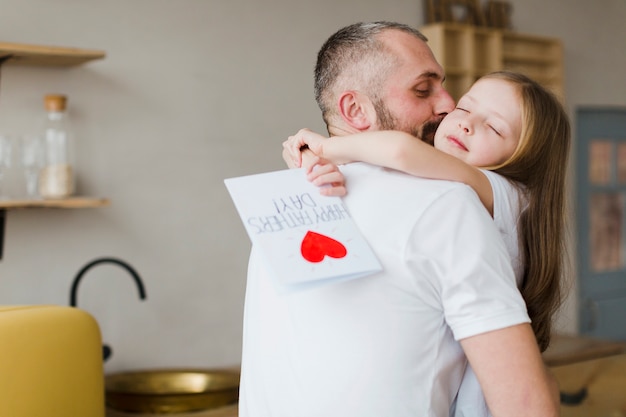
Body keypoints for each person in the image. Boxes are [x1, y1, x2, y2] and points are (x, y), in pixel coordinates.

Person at [238, 21, 560, 417]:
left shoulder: (283, 201)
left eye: (445, 88)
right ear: (354, 109)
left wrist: (324, 150)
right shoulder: (448, 203)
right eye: (423, 90)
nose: (447, 107)